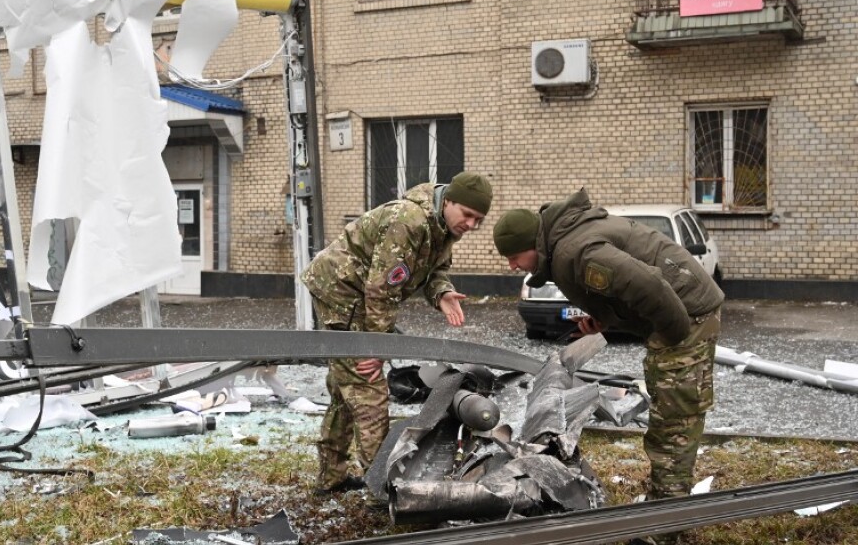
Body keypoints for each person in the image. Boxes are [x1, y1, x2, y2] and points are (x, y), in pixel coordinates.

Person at [493, 188, 723, 544]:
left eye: (513, 256)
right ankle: (665, 505)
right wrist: (604, 320)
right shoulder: (564, 244)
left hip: (688, 313)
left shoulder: (575, 252)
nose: (511, 266)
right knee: (670, 410)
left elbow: (650, 285)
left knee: (675, 417)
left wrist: (674, 336)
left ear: (533, 244)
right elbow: (621, 288)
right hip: (682, 310)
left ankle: (666, 528)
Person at [301, 171, 493, 494]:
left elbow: (436, 269)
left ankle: (330, 478)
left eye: (479, 220)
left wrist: (441, 292)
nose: (471, 225)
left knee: (343, 386)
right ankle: (382, 490)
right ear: (449, 201)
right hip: (343, 290)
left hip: (360, 291)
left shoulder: (444, 227)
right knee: (367, 388)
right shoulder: (410, 221)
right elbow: (380, 290)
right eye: (469, 215)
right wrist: (377, 348)